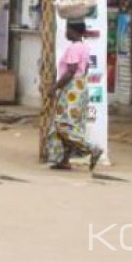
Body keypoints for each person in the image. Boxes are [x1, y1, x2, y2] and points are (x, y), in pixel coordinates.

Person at [47, 19, 103, 172]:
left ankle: (92, 149)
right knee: (71, 124)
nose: (65, 33)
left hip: (72, 90)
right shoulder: (84, 47)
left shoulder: (74, 48)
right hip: (80, 87)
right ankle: (64, 160)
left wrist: (55, 87)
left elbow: (71, 71)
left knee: (64, 125)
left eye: (67, 29)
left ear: (73, 31)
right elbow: (83, 71)